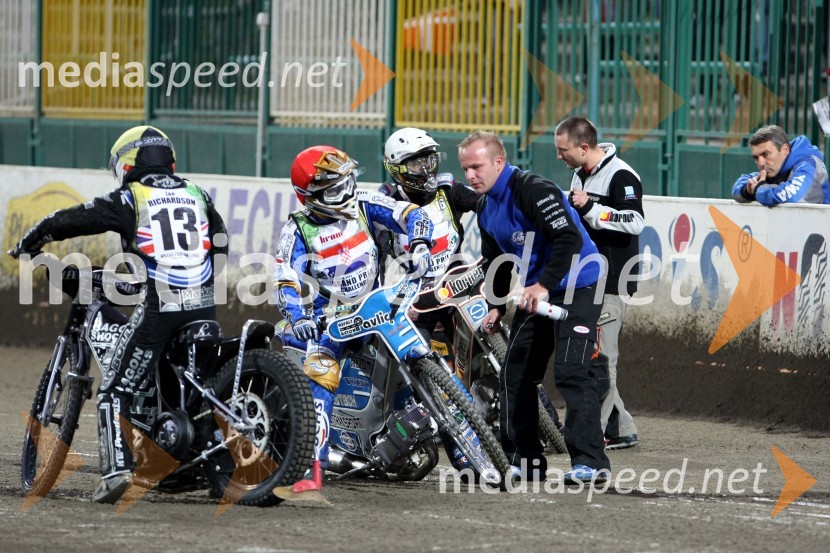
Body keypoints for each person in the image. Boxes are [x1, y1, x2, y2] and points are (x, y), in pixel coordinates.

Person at [9, 125, 228, 503]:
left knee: (114, 389)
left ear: (127, 163)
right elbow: (220, 244)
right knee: (197, 390)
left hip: (162, 309)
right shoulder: (196, 192)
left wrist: (32, 240)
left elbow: (75, 217)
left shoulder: (132, 197)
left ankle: (114, 474)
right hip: (205, 303)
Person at [272, 145, 433, 499]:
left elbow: (413, 215)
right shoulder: (297, 230)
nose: (345, 191)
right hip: (328, 324)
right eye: (335, 188)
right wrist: (298, 318)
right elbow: (284, 279)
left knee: (420, 365)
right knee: (321, 376)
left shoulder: (364, 202)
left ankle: (464, 455)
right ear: (310, 197)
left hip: (376, 311)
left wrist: (420, 245)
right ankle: (311, 470)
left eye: (347, 181)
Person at [457, 130, 610, 483]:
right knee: (515, 373)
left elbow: (569, 238)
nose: (470, 176)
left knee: (573, 371)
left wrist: (541, 285)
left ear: (499, 162)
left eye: (477, 167)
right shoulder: (484, 207)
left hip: (580, 283)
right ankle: (524, 460)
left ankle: (590, 463)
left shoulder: (532, 189)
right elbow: (497, 257)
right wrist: (495, 306)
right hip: (538, 292)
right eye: (465, 169)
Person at [554, 116, 643, 450]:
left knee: (602, 359)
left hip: (612, 280)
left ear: (584, 147)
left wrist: (592, 208)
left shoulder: (621, 175)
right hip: (590, 279)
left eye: (563, 150)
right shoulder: (581, 173)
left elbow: (635, 222)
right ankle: (620, 428)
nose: (559, 157)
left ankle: (598, 431)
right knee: (594, 356)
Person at [379, 127, 479, 339]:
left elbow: (489, 204)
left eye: (429, 161)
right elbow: (373, 256)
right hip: (417, 295)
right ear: (397, 169)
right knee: (414, 352)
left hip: (457, 281)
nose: (426, 170)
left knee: (482, 328)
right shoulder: (385, 206)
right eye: (417, 164)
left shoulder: (449, 189)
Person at [732, 125, 829, 206]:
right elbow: (738, 186)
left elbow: (792, 197)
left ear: (785, 150)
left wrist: (759, 189)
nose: (760, 163)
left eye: (765, 154)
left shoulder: (808, 164)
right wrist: (748, 190)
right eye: (756, 157)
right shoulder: (774, 169)